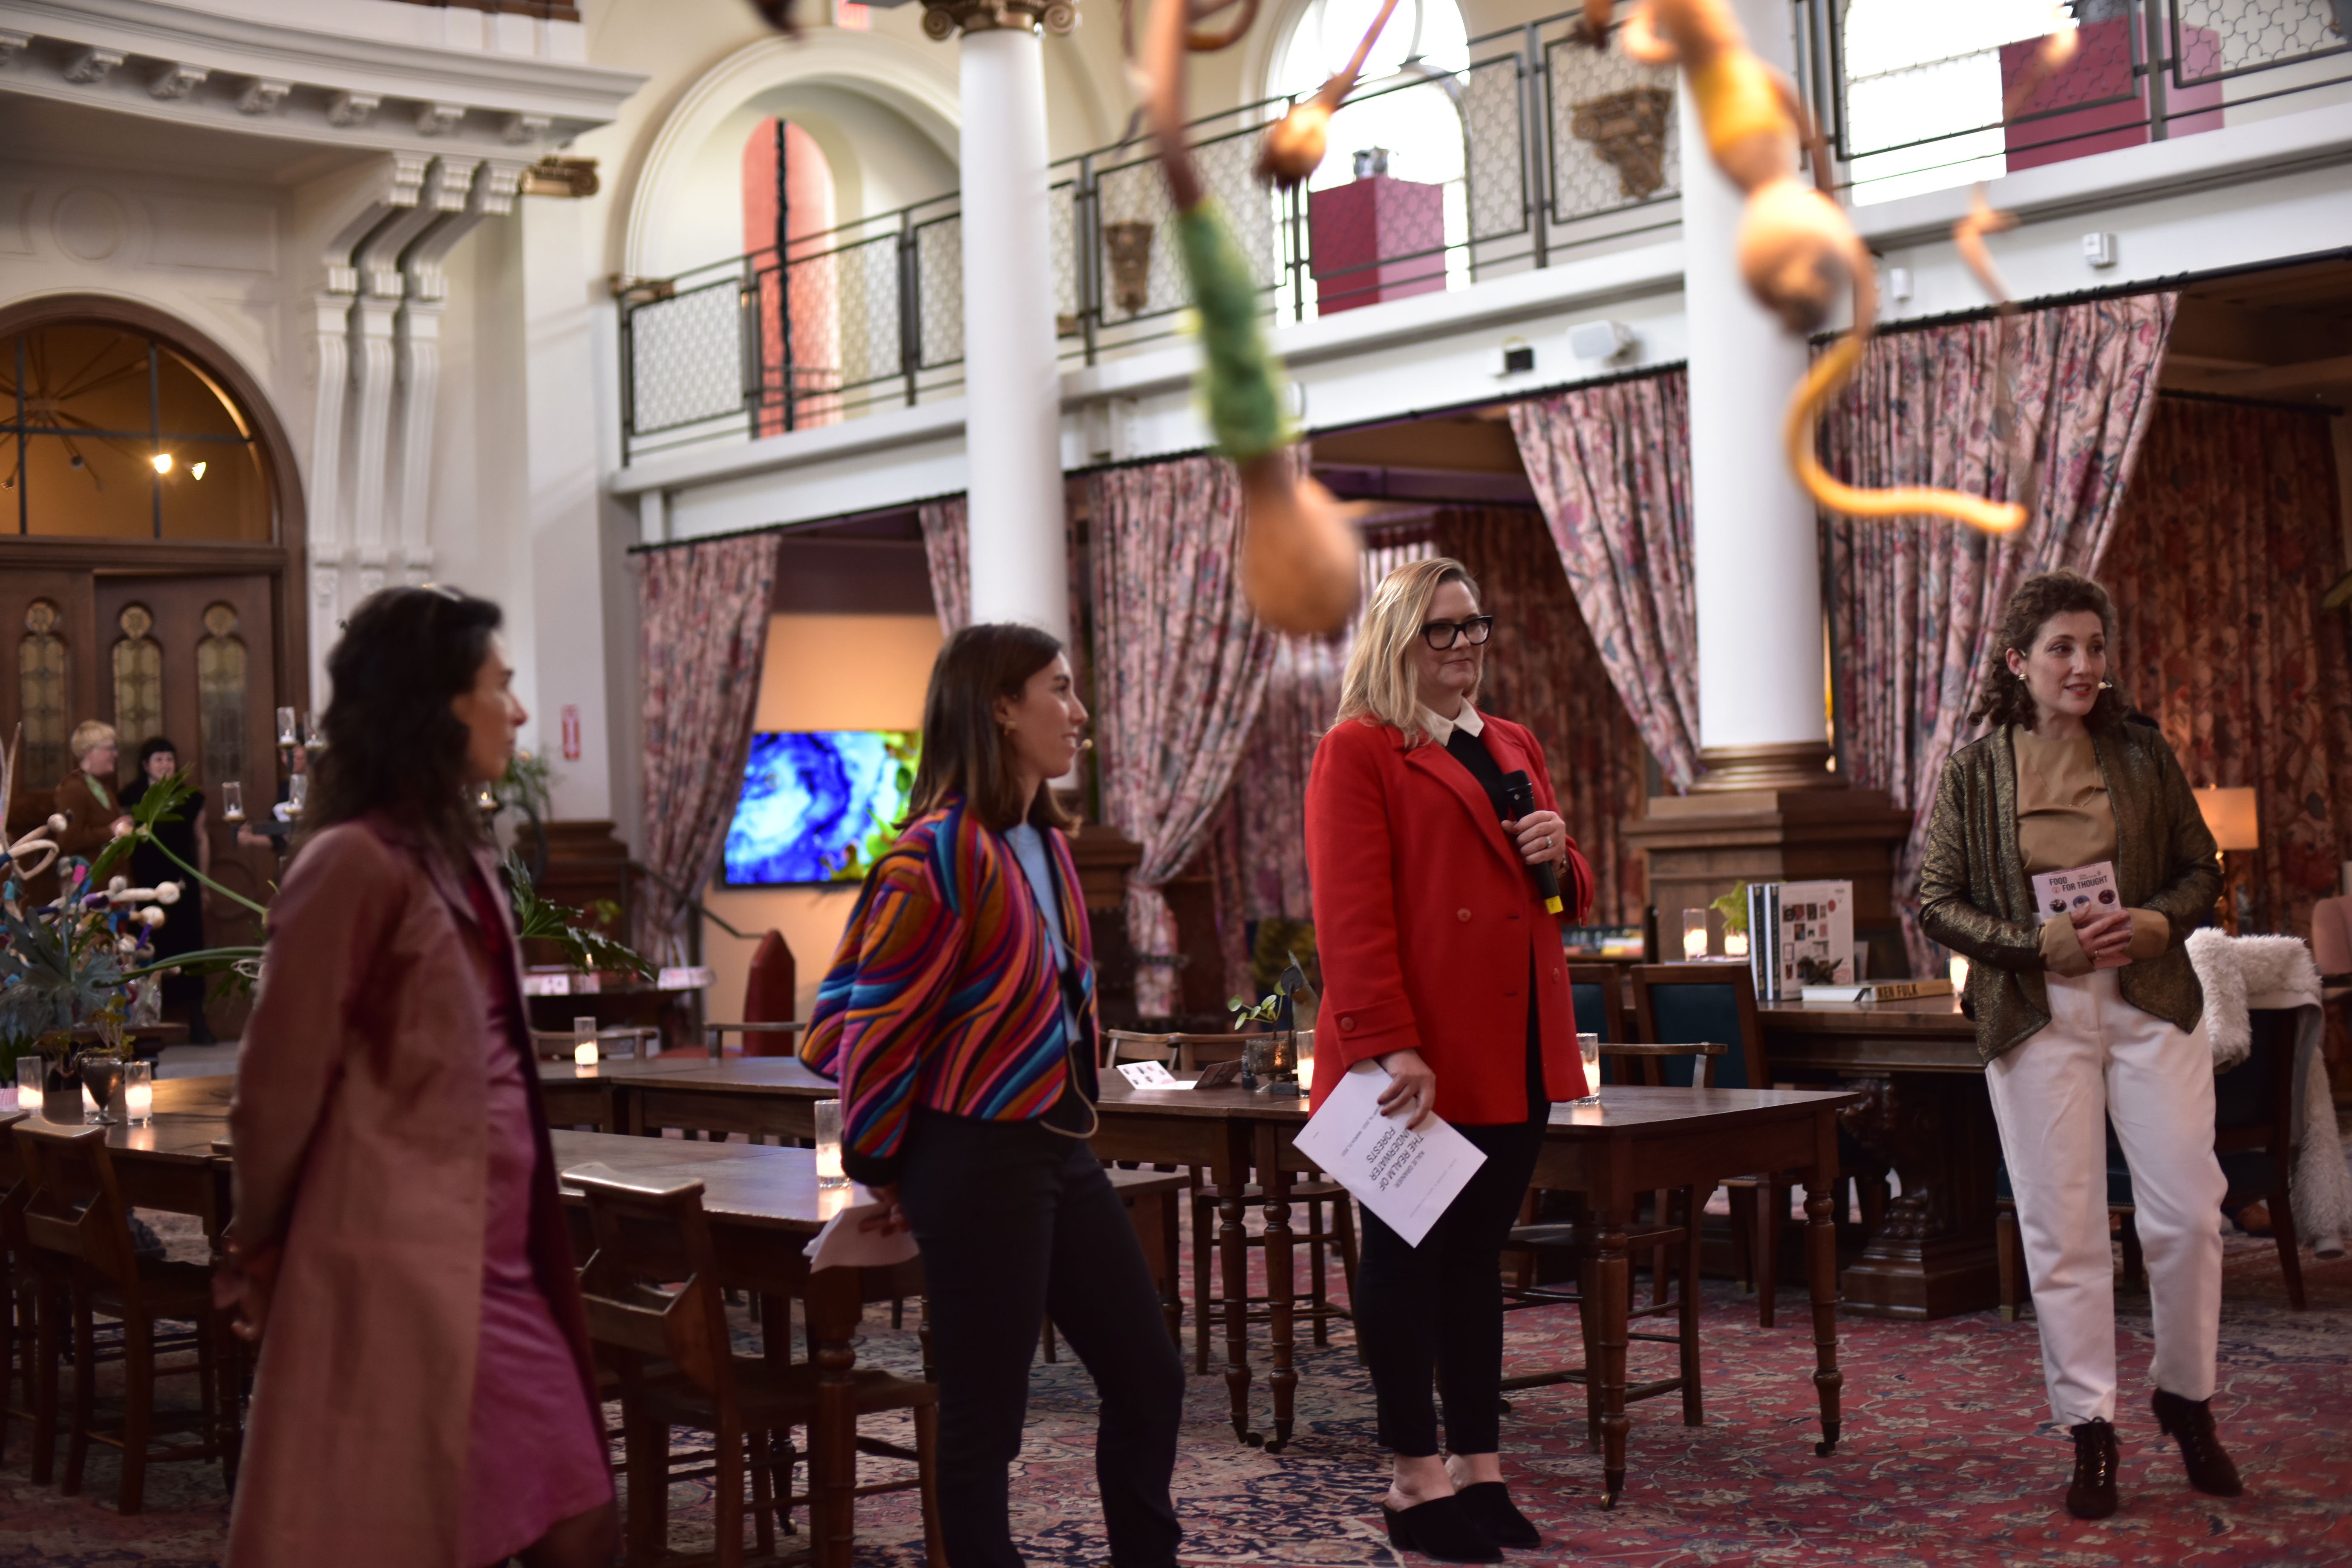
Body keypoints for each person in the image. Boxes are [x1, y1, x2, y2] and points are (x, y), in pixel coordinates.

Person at [219, 586, 615, 1568]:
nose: (518, 710)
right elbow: (276, 1087)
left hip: (498, 1249)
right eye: (499, 686)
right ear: (435, 701)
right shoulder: (351, 861)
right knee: (488, 1520)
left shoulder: (457, 854)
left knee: (565, 1507)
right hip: (406, 1257)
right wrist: (258, 1244)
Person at [801, 622, 1184, 1568]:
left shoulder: (1045, 844)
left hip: (1055, 1144)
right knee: (988, 1416)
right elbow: (872, 1028)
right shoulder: (936, 853)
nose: (1080, 713)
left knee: (1150, 1376)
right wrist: (885, 1164)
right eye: (1060, 688)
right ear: (1002, 708)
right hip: (971, 1155)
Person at [1919, 568, 2237, 1522]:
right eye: (2062, 647)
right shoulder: (1975, 772)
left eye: (2094, 646)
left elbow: (2202, 870)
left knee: (2188, 1214)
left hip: (2149, 999)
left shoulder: (2142, 751)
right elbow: (1938, 902)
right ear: (2019, 662)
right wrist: (2038, 944)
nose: (2083, 664)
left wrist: (2154, 922)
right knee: (2063, 1230)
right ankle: (2090, 1426)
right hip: (2035, 1011)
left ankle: (2186, 1398)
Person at [1303, 558, 1594, 1562]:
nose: (1466, 643)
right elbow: (1350, 917)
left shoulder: (1511, 741)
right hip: (1419, 1053)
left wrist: (1559, 857)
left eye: (1475, 625)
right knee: (1406, 1260)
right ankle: (1413, 1477)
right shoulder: (1358, 748)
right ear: (1398, 640)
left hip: (1515, 1042)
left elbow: (1552, 896)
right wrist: (1391, 1045)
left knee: (1476, 1260)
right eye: (1444, 628)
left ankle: (1479, 1467)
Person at [121, 736, 214, 1044]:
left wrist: (203, 883)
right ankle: (149, 1024)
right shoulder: (130, 797)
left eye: (170, 759)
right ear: (145, 765)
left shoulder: (191, 797)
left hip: (182, 884)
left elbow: (201, 839)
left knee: (191, 951)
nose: (166, 765)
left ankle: (198, 1023)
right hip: (145, 887)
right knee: (149, 951)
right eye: (159, 759)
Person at [49, 719, 133, 867]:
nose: (116, 754)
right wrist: (111, 831)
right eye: (110, 749)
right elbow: (68, 839)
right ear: (90, 752)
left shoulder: (101, 787)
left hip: (110, 875)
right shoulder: (73, 789)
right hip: (88, 877)